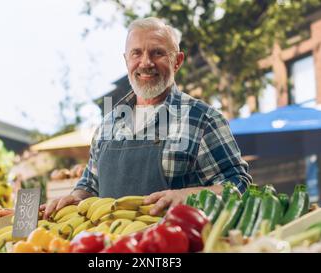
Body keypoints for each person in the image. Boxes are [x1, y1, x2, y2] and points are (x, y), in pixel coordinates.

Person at [41, 17, 252, 219]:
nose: (146, 63)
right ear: (126, 60)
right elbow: (90, 185)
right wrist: (75, 198)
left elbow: (237, 185)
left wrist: (187, 195)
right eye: (136, 53)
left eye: (157, 53)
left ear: (177, 61)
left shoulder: (203, 120)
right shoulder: (109, 124)